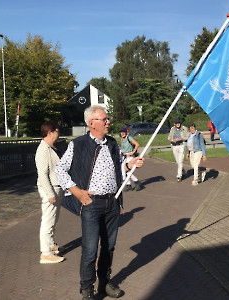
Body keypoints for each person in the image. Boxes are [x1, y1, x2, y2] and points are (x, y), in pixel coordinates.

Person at [55, 105, 144, 300]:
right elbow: (59, 169)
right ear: (91, 123)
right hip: (90, 204)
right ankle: (87, 288)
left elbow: (119, 166)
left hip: (111, 203)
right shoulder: (78, 144)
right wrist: (77, 192)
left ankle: (104, 283)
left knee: (109, 247)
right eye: (104, 119)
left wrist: (130, 164)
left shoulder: (112, 143)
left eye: (107, 119)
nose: (108, 122)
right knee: (89, 250)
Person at [35, 120, 64, 264]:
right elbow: (42, 174)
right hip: (50, 188)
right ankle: (45, 253)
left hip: (56, 187)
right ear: (50, 132)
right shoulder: (43, 150)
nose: (59, 133)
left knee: (54, 219)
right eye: (57, 130)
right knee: (48, 220)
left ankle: (51, 245)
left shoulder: (50, 148)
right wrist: (50, 193)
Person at [119, 127, 142, 191]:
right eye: (121, 132)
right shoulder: (122, 139)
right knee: (124, 170)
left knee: (127, 170)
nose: (122, 134)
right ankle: (128, 184)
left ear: (126, 132)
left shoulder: (129, 137)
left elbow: (137, 144)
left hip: (130, 156)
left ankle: (136, 181)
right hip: (125, 156)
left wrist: (132, 152)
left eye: (123, 132)